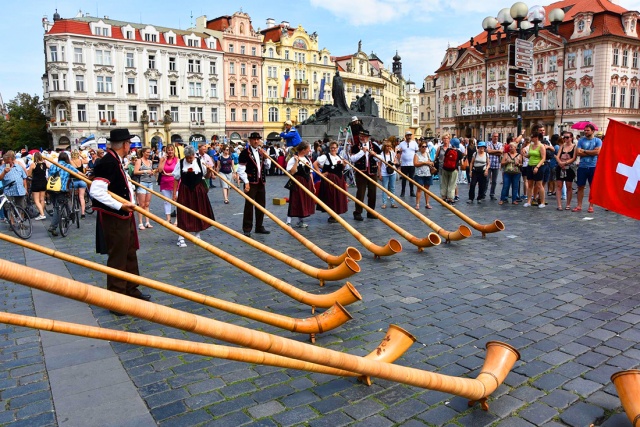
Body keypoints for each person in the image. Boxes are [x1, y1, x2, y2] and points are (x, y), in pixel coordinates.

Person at [89, 128, 149, 310]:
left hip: (125, 215)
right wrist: (120, 205)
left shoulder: (116, 160)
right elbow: (96, 191)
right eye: (129, 143)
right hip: (115, 217)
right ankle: (116, 300)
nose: (130, 146)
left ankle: (131, 289)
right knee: (118, 256)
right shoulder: (108, 162)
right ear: (124, 144)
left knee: (130, 252)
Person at [172, 145, 215, 247]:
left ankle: (197, 235)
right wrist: (174, 193)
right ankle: (181, 237)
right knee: (183, 212)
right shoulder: (181, 163)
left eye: (190, 157)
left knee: (198, 210)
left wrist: (209, 171)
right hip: (185, 190)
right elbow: (176, 179)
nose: (189, 159)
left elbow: (206, 176)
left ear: (193, 155)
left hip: (198, 190)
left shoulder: (200, 162)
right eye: (187, 158)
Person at [237, 132, 271, 236]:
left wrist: (266, 158)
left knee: (261, 205)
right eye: (254, 139)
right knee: (249, 205)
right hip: (251, 182)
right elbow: (241, 170)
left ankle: (259, 226)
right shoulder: (245, 153)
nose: (256, 141)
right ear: (250, 141)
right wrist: (246, 182)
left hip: (261, 182)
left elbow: (267, 167)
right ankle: (247, 228)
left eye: (258, 139)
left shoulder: (261, 152)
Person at [47, 152, 82, 235]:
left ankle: (68, 214)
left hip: (51, 189)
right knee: (57, 208)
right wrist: (87, 177)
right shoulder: (67, 166)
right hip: (61, 189)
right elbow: (78, 173)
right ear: (67, 159)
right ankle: (53, 226)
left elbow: (48, 177)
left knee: (56, 205)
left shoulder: (53, 165)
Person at [314, 141, 348, 223]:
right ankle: (332, 215)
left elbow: (341, 169)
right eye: (332, 148)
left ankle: (337, 214)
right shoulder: (325, 156)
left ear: (337, 148)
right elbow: (315, 164)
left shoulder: (339, 157)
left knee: (338, 197)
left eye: (335, 148)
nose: (333, 149)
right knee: (331, 197)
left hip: (339, 180)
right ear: (329, 148)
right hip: (330, 180)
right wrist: (320, 174)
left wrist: (343, 165)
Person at [349, 129, 380, 221]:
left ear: (368, 137)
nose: (362, 138)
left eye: (364, 136)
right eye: (360, 136)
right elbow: (353, 159)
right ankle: (358, 212)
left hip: (372, 172)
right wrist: (362, 152)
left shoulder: (374, 146)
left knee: (372, 193)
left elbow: (381, 158)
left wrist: (375, 155)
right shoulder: (355, 147)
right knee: (360, 193)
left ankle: (371, 212)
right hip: (361, 172)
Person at [285, 142, 316, 228]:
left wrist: (312, 185)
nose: (309, 150)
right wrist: (296, 161)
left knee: (303, 201)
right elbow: (292, 172)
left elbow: (310, 172)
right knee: (294, 200)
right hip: (297, 181)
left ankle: (300, 221)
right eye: (308, 149)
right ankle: (288, 221)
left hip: (307, 182)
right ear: (303, 150)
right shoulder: (293, 159)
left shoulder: (307, 159)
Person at [574, 124, 602, 213]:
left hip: (593, 166)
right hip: (582, 166)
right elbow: (578, 152)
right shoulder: (581, 140)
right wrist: (591, 152)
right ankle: (579, 205)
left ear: (593, 131)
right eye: (585, 130)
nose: (585, 132)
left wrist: (584, 151)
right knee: (580, 186)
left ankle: (591, 205)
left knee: (592, 187)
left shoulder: (598, 141)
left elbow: (597, 152)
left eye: (587, 130)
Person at [133, 146, 156, 230]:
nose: (149, 154)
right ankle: (140, 223)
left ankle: (147, 222)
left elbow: (151, 171)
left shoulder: (150, 161)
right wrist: (145, 171)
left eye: (149, 152)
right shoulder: (139, 161)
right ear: (143, 152)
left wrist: (152, 173)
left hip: (150, 183)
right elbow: (135, 172)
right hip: (142, 183)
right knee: (141, 204)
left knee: (147, 204)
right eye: (147, 152)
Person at [523, 130, 547, 208]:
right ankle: (529, 201)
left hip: (539, 166)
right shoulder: (531, 145)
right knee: (530, 184)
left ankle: (542, 202)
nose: (531, 138)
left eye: (532, 137)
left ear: (536, 138)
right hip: (530, 165)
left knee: (539, 185)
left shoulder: (541, 146)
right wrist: (524, 154)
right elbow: (530, 155)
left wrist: (537, 167)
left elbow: (543, 158)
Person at [555, 131, 577, 210]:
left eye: (567, 137)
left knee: (569, 186)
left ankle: (568, 204)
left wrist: (565, 162)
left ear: (571, 138)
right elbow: (557, 156)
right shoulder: (562, 146)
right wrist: (560, 162)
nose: (565, 139)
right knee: (559, 186)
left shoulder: (574, 147)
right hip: (560, 167)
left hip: (569, 168)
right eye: (564, 137)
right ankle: (559, 205)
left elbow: (574, 158)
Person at [157, 144, 178, 224]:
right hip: (165, 182)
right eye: (168, 150)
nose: (170, 152)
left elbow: (178, 171)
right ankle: (168, 218)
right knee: (167, 201)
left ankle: (177, 219)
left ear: (174, 151)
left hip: (174, 182)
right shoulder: (163, 159)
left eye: (171, 150)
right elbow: (160, 170)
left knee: (176, 200)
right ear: (166, 151)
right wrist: (163, 160)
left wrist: (170, 174)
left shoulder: (177, 159)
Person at [435, 134, 458, 204]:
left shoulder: (452, 147)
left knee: (452, 183)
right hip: (442, 167)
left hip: (452, 167)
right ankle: (444, 196)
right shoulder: (440, 148)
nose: (445, 140)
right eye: (444, 138)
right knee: (442, 183)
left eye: (447, 138)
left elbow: (457, 158)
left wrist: (457, 167)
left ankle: (451, 197)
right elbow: (436, 158)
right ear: (442, 139)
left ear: (449, 139)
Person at [375, 140, 399, 209]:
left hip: (392, 172)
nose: (388, 148)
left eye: (389, 146)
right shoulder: (381, 154)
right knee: (384, 188)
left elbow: (395, 161)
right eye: (387, 146)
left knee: (392, 188)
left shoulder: (392, 153)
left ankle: (393, 202)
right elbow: (379, 165)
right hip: (384, 173)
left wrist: (392, 163)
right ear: (384, 147)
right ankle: (384, 203)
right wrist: (379, 174)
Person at [397, 131, 419, 197]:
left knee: (411, 178)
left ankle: (411, 191)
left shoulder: (414, 143)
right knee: (404, 179)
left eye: (410, 135)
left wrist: (416, 161)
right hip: (404, 164)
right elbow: (398, 153)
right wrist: (399, 162)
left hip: (412, 164)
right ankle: (403, 191)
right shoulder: (401, 144)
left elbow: (417, 152)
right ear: (405, 136)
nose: (409, 137)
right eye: (407, 135)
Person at [413, 141, 434, 209]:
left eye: (425, 146)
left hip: (427, 173)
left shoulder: (427, 154)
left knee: (427, 189)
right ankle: (417, 204)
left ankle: (427, 203)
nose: (424, 148)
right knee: (419, 189)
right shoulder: (417, 154)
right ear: (420, 147)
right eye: (423, 146)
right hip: (419, 174)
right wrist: (424, 163)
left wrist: (431, 163)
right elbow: (415, 164)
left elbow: (430, 161)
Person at [27, 152, 48, 220]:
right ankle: (41, 212)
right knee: (42, 199)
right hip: (44, 182)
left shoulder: (33, 164)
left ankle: (42, 214)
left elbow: (29, 174)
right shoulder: (44, 164)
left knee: (36, 200)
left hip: (36, 182)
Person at [486, 132, 504, 200]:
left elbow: (501, 152)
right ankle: (483, 194)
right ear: (492, 137)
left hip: (496, 165)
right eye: (494, 136)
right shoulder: (488, 143)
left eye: (497, 136)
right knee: (486, 180)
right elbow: (488, 151)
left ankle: (492, 194)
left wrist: (493, 151)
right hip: (489, 164)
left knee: (494, 181)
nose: (496, 137)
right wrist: (497, 151)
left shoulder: (500, 144)